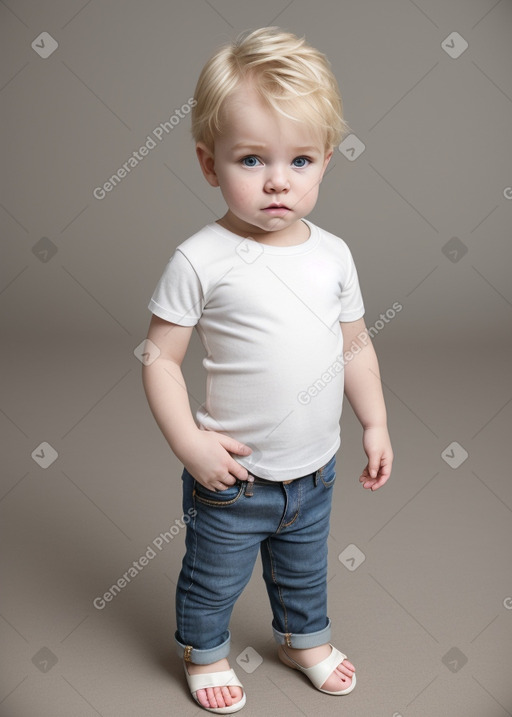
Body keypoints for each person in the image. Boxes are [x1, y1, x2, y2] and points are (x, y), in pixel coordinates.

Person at [142, 26, 393, 714]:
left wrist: (374, 421)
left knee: (304, 570)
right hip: (234, 476)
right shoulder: (201, 257)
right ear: (208, 162)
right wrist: (191, 444)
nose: (278, 180)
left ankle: (303, 638)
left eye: (300, 160)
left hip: (315, 469)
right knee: (213, 578)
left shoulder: (333, 254)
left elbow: (356, 345)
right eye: (251, 159)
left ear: (326, 162)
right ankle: (205, 650)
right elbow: (159, 358)